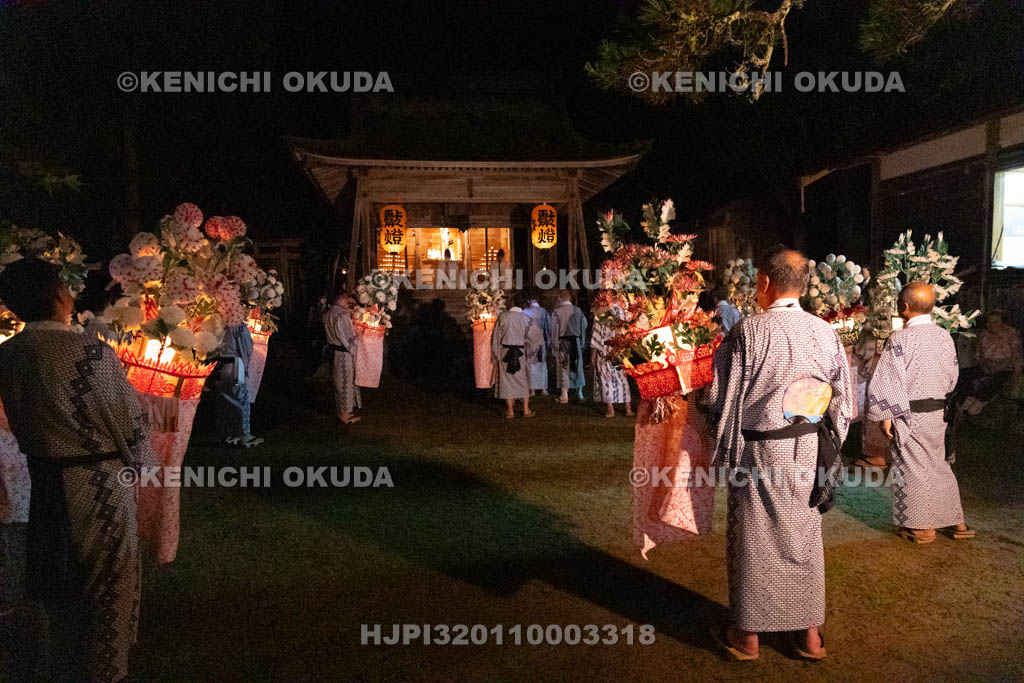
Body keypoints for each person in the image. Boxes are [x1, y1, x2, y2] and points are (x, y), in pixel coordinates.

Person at [0, 258, 155, 682]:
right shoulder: (88, 352)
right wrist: (144, 465)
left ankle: (58, 659)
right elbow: (125, 415)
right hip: (98, 482)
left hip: (46, 480)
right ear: (56, 294)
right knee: (109, 578)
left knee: (55, 574)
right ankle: (106, 668)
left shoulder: (8, 355)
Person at [704, 246, 852, 661]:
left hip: (759, 451)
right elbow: (843, 402)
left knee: (754, 537)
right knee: (804, 536)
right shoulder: (825, 332)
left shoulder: (748, 332)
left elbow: (718, 396)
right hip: (808, 448)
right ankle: (809, 636)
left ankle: (747, 635)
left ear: (765, 282)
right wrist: (830, 443)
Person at [867, 281, 974, 544]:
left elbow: (889, 379)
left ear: (904, 307)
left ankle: (922, 528)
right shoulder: (944, 336)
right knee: (939, 464)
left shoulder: (900, 338)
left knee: (912, 467)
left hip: (910, 413)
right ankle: (957, 522)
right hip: (939, 412)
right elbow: (953, 375)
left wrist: (886, 415)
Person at [960, 309, 1022, 415]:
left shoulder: (1011, 333)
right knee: (962, 374)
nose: (992, 324)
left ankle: (982, 400)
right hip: (987, 366)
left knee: (995, 381)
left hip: (1006, 368)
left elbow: (1017, 355)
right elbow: (978, 355)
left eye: (996, 321)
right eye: (989, 322)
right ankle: (970, 396)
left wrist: (1017, 373)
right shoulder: (984, 334)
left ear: (1003, 323)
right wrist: (982, 366)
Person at [491, 291, 542, 418]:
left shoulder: (503, 317)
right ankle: (526, 409)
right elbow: (535, 337)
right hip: (520, 352)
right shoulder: (526, 319)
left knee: (506, 380)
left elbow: (496, 337)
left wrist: (495, 353)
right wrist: (530, 350)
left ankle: (510, 411)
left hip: (505, 352)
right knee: (523, 379)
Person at [213, 323, 261, 447]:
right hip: (235, 364)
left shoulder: (216, 324)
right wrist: (245, 366)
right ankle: (243, 434)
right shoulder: (238, 326)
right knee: (241, 398)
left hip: (219, 365)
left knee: (223, 400)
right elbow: (246, 348)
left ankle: (227, 434)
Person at [325, 286, 361, 424]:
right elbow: (346, 335)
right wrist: (357, 345)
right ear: (340, 298)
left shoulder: (330, 312)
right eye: (346, 298)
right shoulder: (341, 314)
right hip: (343, 353)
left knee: (339, 382)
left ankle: (343, 410)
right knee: (345, 382)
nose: (348, 301)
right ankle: (345, 413)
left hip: (334, 351)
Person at [591, 307, 633, 417]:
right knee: (621, 379)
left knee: (606, 379)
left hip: (606, 352)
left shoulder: (601, 319)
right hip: (617, 351)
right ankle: (628, 409)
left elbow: (596, 338)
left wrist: (593, 354)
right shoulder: (618, 319)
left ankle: (611, 410)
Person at [552, 290, 587, 403]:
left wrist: (554, 346)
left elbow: (554, 329)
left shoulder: (557, 312)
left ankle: (564, 394)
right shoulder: (578, 311)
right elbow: (584, 325)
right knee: (578, 367)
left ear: (560, 298)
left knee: (563, 367)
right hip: (576, 341)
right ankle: (580, 393)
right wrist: (582, 342)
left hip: (563, 342)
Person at [522, 291, 551, 396]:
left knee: (530, 365)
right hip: (540, 342)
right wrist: (548, 342)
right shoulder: (543, 312)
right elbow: (548, 328)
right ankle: (543, 388)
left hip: (528, 343)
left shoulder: (524, 312)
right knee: (541, 364)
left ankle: (532, 389)